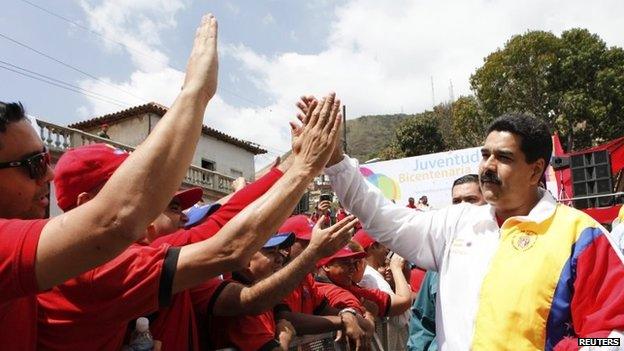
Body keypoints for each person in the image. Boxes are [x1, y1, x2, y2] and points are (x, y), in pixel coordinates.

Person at [0, 13, 220, 350]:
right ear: (87, 202)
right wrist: (196, 93)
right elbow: (117, 218)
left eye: (46, 159)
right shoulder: (89, 266)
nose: (49, 173)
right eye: (33, 164)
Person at [321, 110, 624, 349]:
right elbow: (381, 215)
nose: (487, 167)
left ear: (535, 170)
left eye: (503, 157)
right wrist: (335, 161)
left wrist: (568, 348)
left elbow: (613, 338)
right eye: (485, 154)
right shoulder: (457, 223)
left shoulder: (580, 235)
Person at [193, 216, 359, 351]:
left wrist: (348, 313)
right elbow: (285, 320)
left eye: (280, 250)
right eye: (271, 252)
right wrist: (284, 339)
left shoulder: (264, 290)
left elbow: (326, 300)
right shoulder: (241, 305)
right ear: (244, 258)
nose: (280, 257)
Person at [408, 173, 486, 351]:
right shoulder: (440, 261)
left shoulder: (503, 251)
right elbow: (422, 321)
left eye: (471, 199)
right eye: (457, 201)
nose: (463, 208)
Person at [353, 230, 412, 351]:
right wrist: (396, 269)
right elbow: (401, 317)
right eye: (384, 244)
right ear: (373, 246)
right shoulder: (369, 277)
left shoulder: (372, 274)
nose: (387, 250)